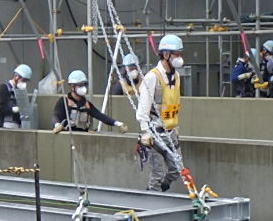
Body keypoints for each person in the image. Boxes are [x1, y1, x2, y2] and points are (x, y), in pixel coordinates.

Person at [136, 33, 185, 192]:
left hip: (171, 132)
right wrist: (145, 131)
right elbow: (143, 108)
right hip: (155, 133)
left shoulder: (176, 76)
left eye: (180, 54)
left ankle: (160, 191)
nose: (179, 57)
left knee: (177, 169)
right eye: (176, 54)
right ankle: (153, 202)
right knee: (157, 173)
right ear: (166, 54)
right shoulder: (152, 77)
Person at [52, 70, 127, 133]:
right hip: (68, 138)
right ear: (72, 87)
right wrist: (57, 125)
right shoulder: (64, 101)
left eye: (84, 85)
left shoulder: (86, 104)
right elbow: (56, 115)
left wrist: (118, 124)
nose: (83, 88)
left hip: (83, 139)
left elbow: (100, 115)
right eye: (80, 85)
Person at [0, 64, 32, 128]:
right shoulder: (4, 88)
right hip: (6, 125)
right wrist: (12, 109)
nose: (25, 83)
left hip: (17, 125)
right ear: (16, 76)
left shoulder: (19, 91)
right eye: (24, 80)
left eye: (26, 81)